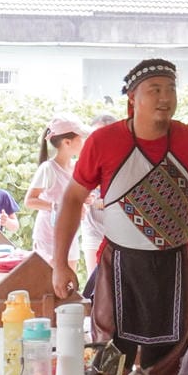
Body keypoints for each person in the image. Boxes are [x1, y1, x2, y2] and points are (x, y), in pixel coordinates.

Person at [51, 59, 188, 375]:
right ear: (133, 99)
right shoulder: (103, 141)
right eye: (154, 90)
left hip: (173, 266)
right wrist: (59, 262)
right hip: (118, 264)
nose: (164, 98)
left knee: (167, 365)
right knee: (107, 365)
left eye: (170, 89)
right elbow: (72, 199)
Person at [25, 115, 91, 264]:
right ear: (67, 142)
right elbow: (29, 201)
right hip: (48, 237)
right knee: (49, 284)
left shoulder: (76, 167)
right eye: (81, 138)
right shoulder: (48, 169)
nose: (84, 142)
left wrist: (84, 200)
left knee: (69, 285)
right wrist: (56, 207)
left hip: (70, 234)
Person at [81, 113, 118, 274]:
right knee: (94, 280)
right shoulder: (85, 162)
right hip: (93, 231)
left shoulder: (124, 162)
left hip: (120, 234)